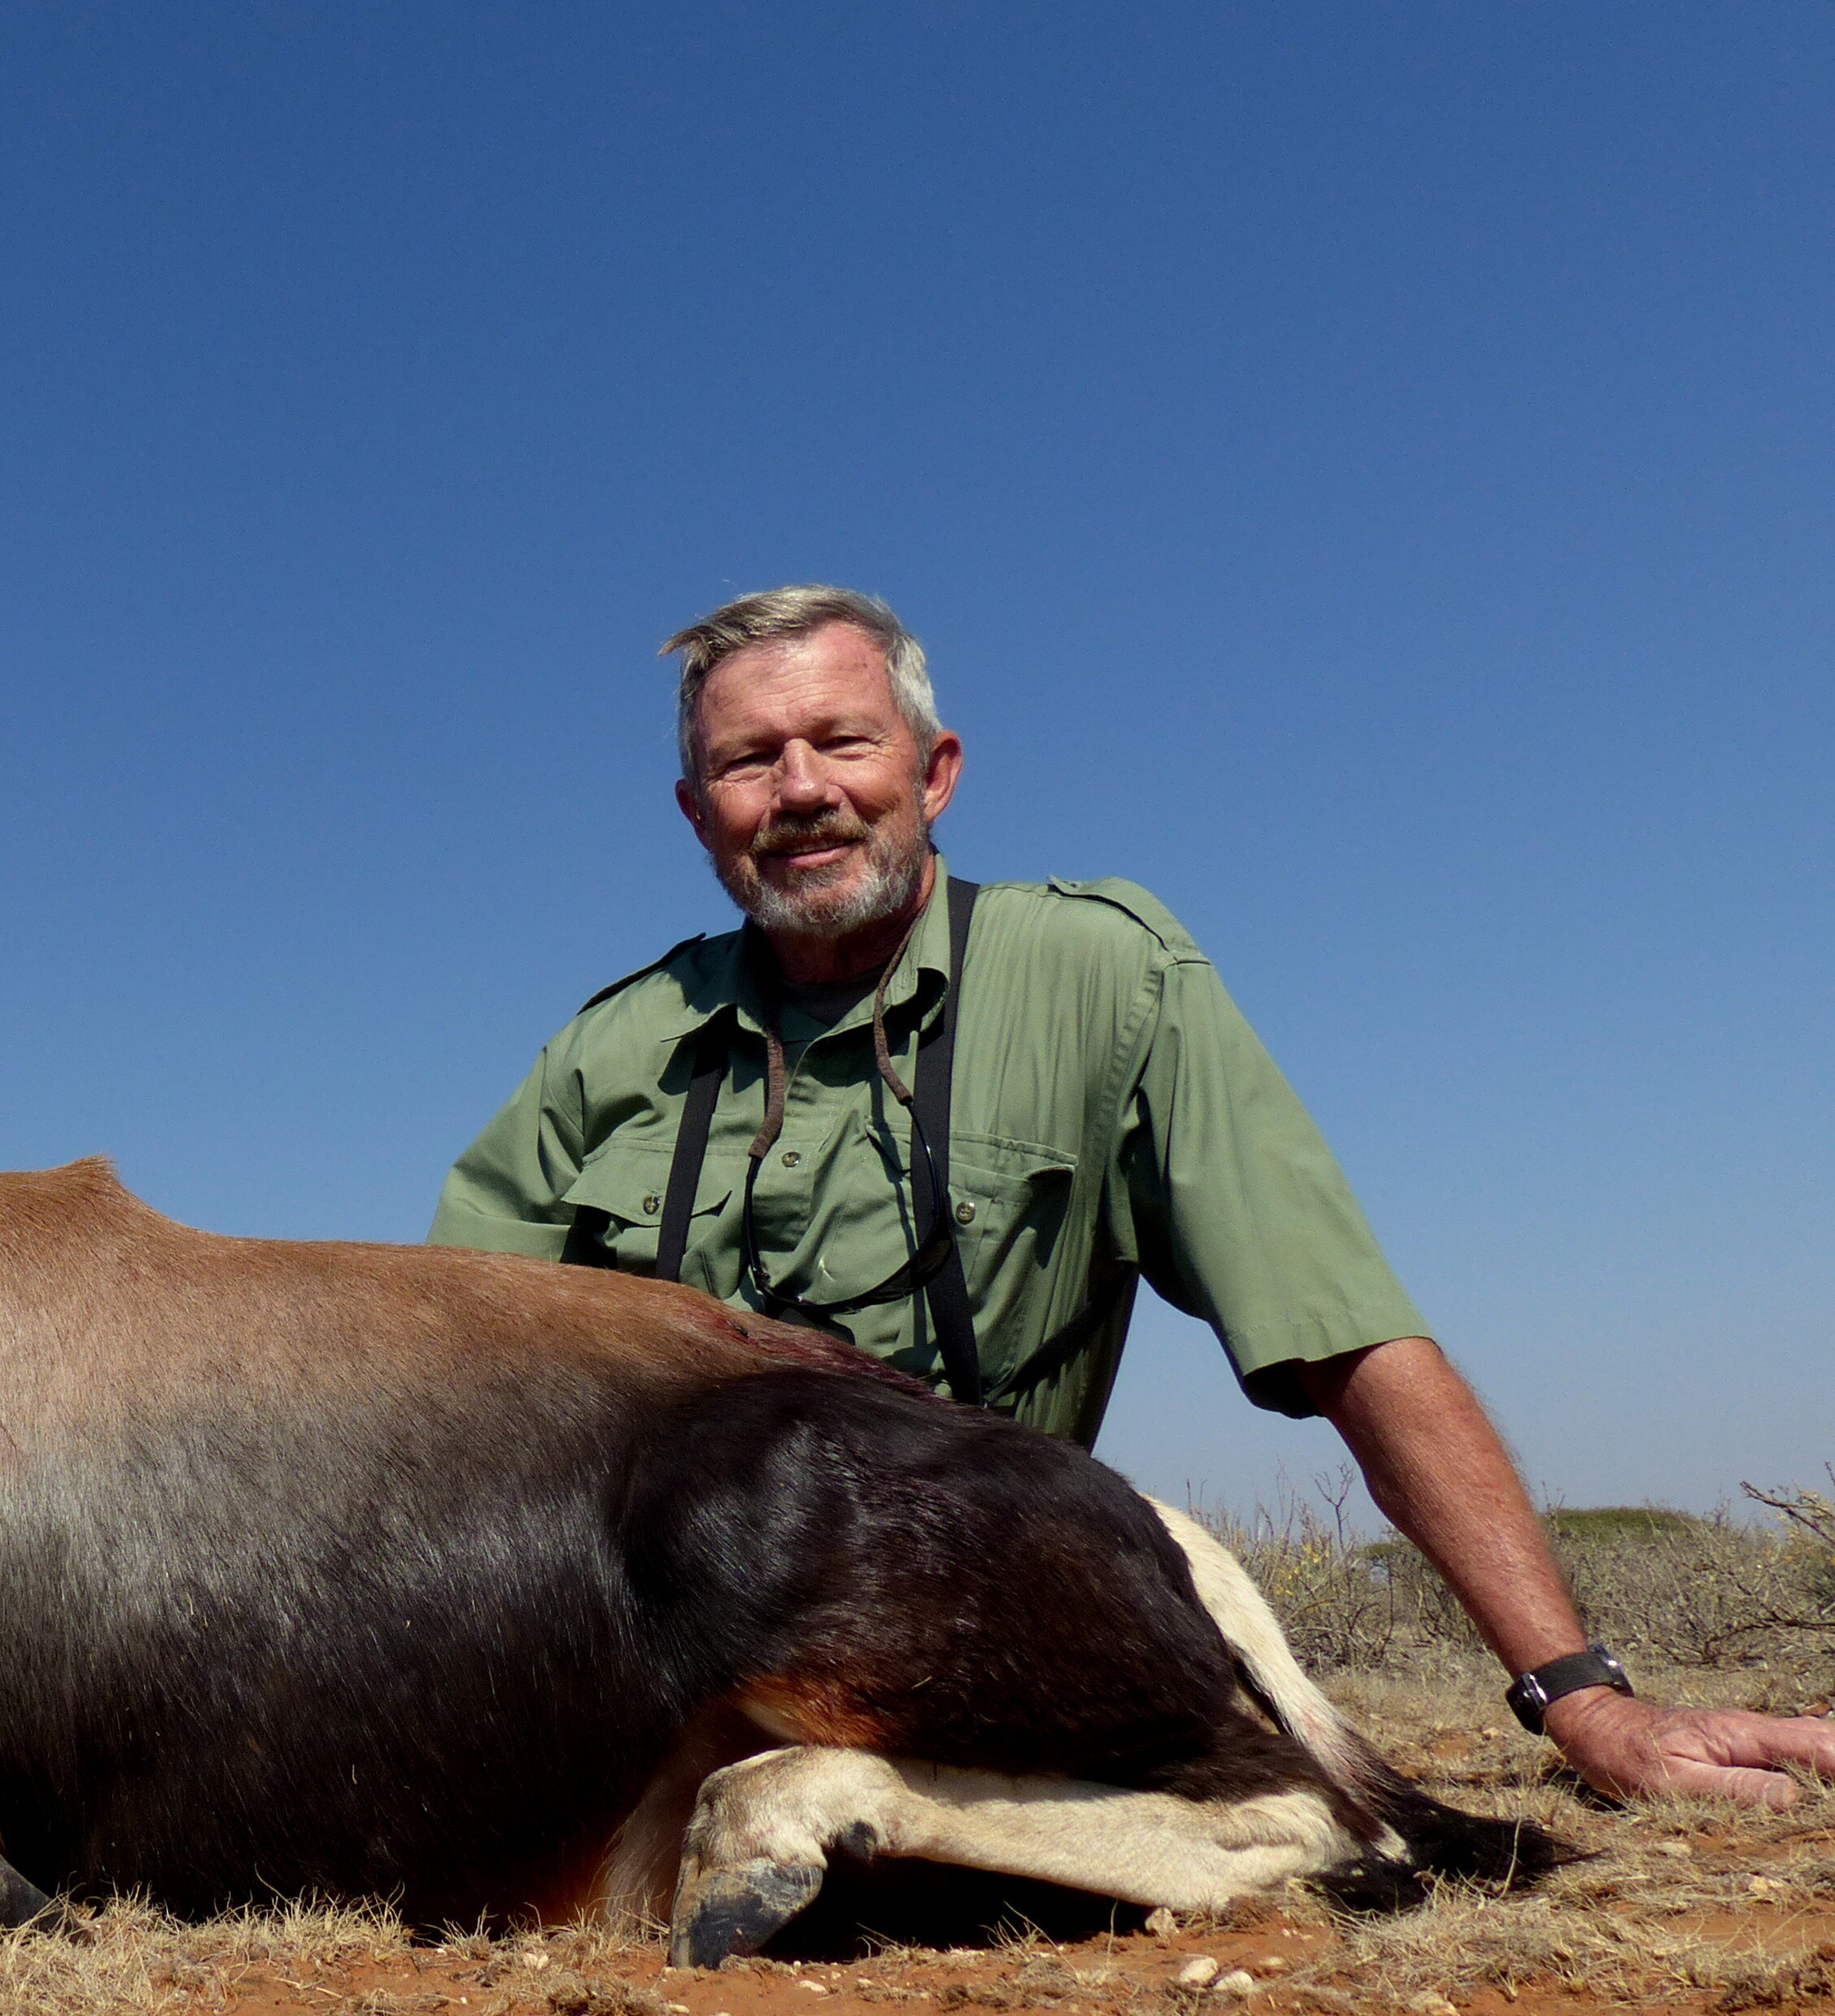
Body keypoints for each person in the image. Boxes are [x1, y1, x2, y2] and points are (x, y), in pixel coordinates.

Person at [432, 584, 1835, 1808]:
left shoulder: (1107, 976)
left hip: (952, 1611)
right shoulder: (607, 1051)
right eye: (748, 762)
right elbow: (442, 1398)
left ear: (935, 771)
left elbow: (1338, 1329)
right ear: (696, 814)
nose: (800, 790)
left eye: (843, 743)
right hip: (648, 1660)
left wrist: (1583, 1696)